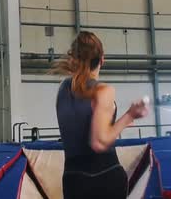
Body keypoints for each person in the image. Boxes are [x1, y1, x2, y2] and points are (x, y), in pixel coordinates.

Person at [53, 31, 149, 199]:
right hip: (104, 175)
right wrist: (129, 116)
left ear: (74, 58)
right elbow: (99, 142)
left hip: (72, 179)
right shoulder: (103, 91)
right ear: (102, 59)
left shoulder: (63, 89)